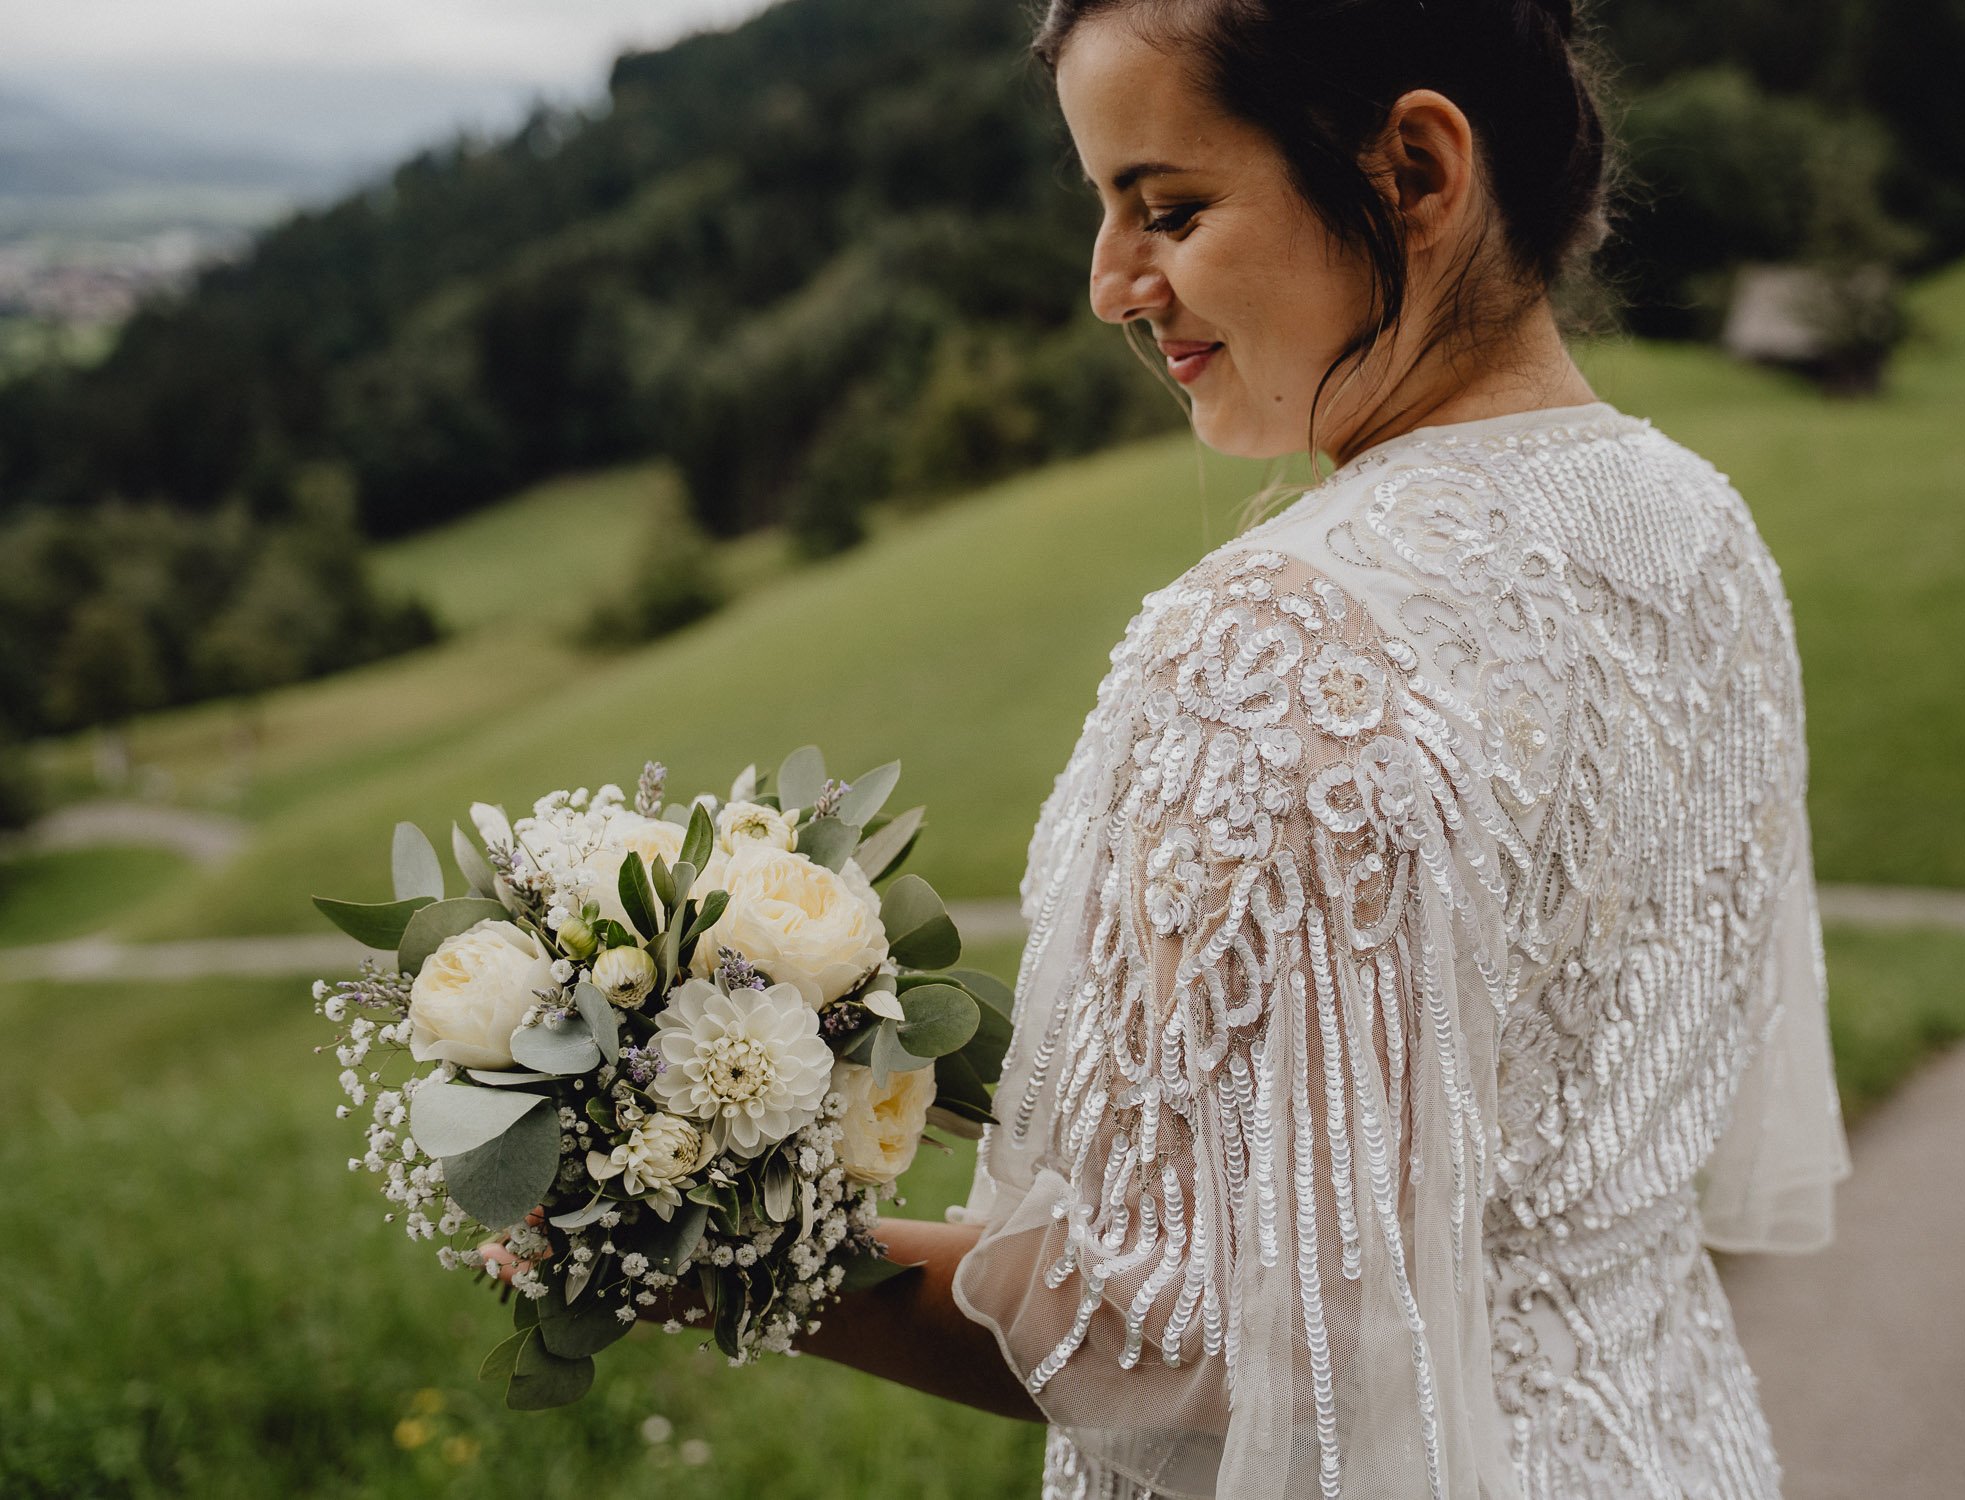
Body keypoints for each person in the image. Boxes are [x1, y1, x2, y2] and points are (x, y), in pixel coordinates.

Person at [489, 1, 1853, 1494]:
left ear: (1414, 169)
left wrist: (702, 1244)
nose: (1108, 286)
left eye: (1171, 210)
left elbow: (1195, 1351)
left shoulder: (1279, 646)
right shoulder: (1693, 530)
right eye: (1103, 210)